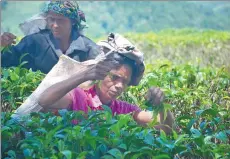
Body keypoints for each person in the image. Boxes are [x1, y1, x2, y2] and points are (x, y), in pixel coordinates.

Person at [38, 33, 174, 133]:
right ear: (101, 74)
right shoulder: (79, 97)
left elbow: (166, 129)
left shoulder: (124, 110)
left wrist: (161, 104)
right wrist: (84, 75)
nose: (120, 85)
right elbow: (44, 100)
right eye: (115, 77)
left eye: (125, 82)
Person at [1, 1, 100, 73]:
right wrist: (3, 46)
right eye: (51, 19)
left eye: (61, 20)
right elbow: (6, 61)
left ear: (73, 22)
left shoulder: (88, 48)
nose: (55, 25)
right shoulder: (34, 42)